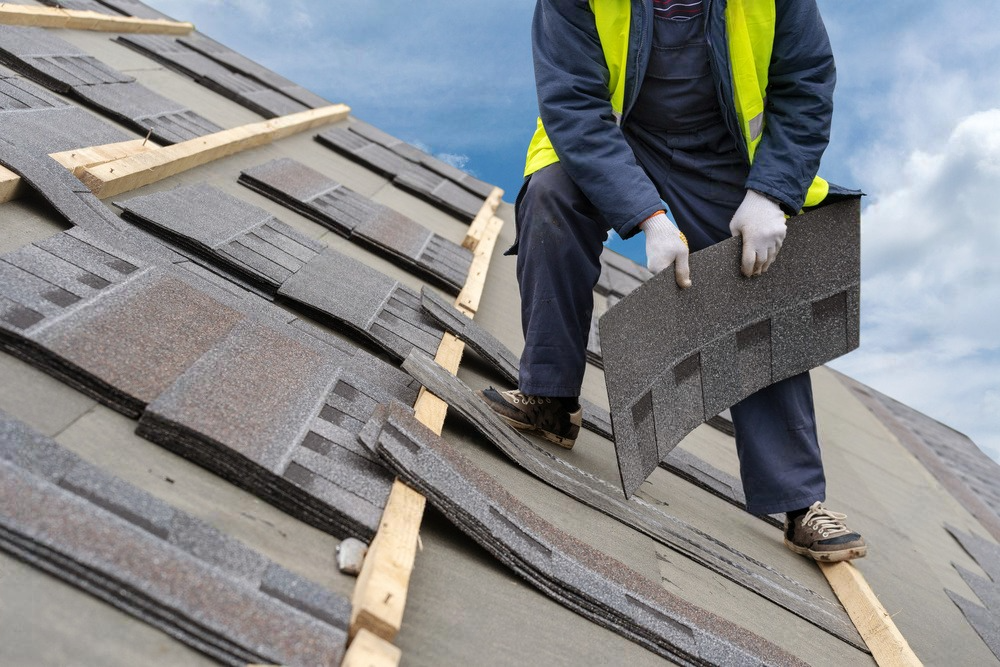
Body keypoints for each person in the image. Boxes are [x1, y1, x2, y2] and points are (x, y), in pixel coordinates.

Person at [477, 0, 866, 562]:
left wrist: (772, 193)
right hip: (616, 142)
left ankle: (800, 501)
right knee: (550, 200)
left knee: (756, 273)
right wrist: (648, 217)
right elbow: (574, 106)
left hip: (723, 156)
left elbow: (805, 86)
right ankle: (550, 398)